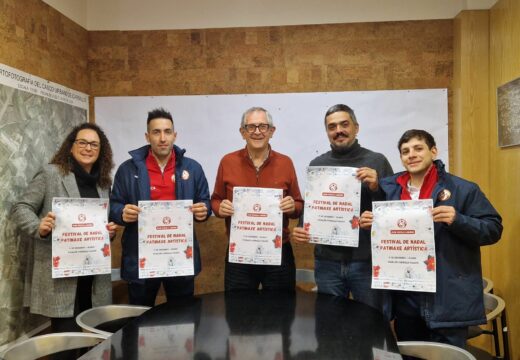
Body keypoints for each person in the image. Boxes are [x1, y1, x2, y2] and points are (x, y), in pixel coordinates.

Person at [359, 129, 502, 348]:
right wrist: (371, 224)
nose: (411, 155)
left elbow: (493, 229)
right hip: (406, 298)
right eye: (405, 151)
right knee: (412, 353)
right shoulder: (388, 189)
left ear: (433, 151)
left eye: (418, 148)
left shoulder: (463, 189)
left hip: (447, 296)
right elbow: (388, 238)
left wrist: (459, 220)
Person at [11, 123, 116, 335]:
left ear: (101, 151)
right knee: (66, 342)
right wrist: (38, 227)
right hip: (62, 277)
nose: (88, 148)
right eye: (82, 142)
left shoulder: (104, 183)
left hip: (93, 275)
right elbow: (21, 207)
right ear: (71, 146)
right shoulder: (51, 174)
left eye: (94, 144)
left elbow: (100, 223)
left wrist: (108, 233)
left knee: (95, 337)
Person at [291, 104, 393, 312]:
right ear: (327, 132)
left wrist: (376, 186)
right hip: (327, 261)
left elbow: (392, 209)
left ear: (356, 127)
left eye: (344, 124)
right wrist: (303, 228)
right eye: (332, 126)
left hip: (366, 261)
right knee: (330, 324)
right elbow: (313, 206)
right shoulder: (318, 164)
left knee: (371, 323)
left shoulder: (377, 161)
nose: (338, 130)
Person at [110, 108, 210, 306]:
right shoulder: (127, 169)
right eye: (156, 132)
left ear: (175, 135)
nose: (162, 138)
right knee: (139, 317)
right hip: (141, 257)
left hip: (179, 255)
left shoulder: (193, 168)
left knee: (182, 317)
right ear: (148, 136)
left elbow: (205, 201)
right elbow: (113, 205)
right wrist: (121, 212)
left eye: (167, 131)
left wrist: (203, 211)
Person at [211, 106, 303, 290]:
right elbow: (215, 199)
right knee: (239, 311)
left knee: (280, 311)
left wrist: (292, 206)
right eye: (251, 127)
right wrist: (219, 209)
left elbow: (299, 205)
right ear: (242, 132)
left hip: (278, 251)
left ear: (271, 131)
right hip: (239, 253)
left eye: (263, 126)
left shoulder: (286, 162)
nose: (257, 132)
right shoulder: (227, 161)